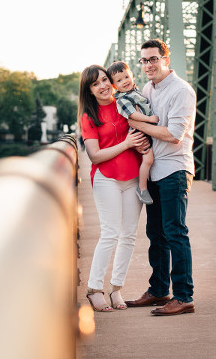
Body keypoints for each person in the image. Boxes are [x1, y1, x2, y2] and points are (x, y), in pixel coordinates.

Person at [124, 38, 197, 316]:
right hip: (154, 169)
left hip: (175, 169)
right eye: (144, 60)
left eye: (153, 59)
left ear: (166, 59)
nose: (148, 65)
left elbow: (174, 135)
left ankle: (183, 296)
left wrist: (136, 123)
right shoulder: (147, 89)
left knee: (175, 232)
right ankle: (158, 290)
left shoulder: (182, 91)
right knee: (155, 233)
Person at [78, 64, 148, 312]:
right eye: (96, 84)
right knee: (110, 233)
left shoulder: (126, 104)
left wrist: (140, 144)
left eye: (105, 80)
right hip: (106, 178)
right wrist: (128, 143)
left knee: (129, 235)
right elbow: (95, 156)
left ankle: (117, 288)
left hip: (133, 177)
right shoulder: (89, 116)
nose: (103, 86)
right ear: (90, 91)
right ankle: (94, 289)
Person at [106, 61, 158, 206]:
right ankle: (142, 188)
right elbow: (133, 115)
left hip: (145, 130)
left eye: (126, 77)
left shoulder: (136, 92)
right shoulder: (122, 100)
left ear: (132, 76)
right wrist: (149, 118)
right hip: (138, 133)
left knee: (149, 158)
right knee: (148, 159)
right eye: (119, 80)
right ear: (114, 86)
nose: (125, 81)